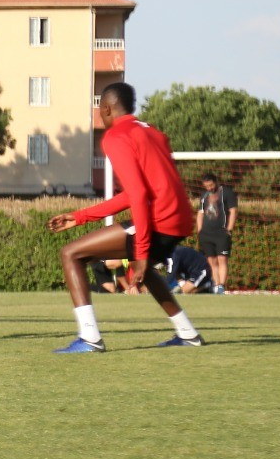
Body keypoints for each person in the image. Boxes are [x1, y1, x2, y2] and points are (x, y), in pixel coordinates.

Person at [46, 81, 205, 352]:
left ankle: (89, 338)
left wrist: (141, 253)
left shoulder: (116, 137)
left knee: (71, 254)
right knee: (148, 272)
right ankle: (187, 333)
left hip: (160, 220)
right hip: (179, 220)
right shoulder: (152, 132)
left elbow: (139, 196)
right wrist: (81, 216)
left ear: (106, 108)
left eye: (99, 109)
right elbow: (134, 194)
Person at [196, 173, 238, 293]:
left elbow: (233, 211)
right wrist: (200, 230)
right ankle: (216, 284)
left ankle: (221, 286)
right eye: (206, 186)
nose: (209, 188)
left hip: (221, 234)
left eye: (211, 185)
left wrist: (229, 229)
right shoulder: (204, 195)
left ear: (216, 181)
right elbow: (200, 213)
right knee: (212, 261)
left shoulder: (227, 193)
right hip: (206, 234)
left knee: (222, 259)